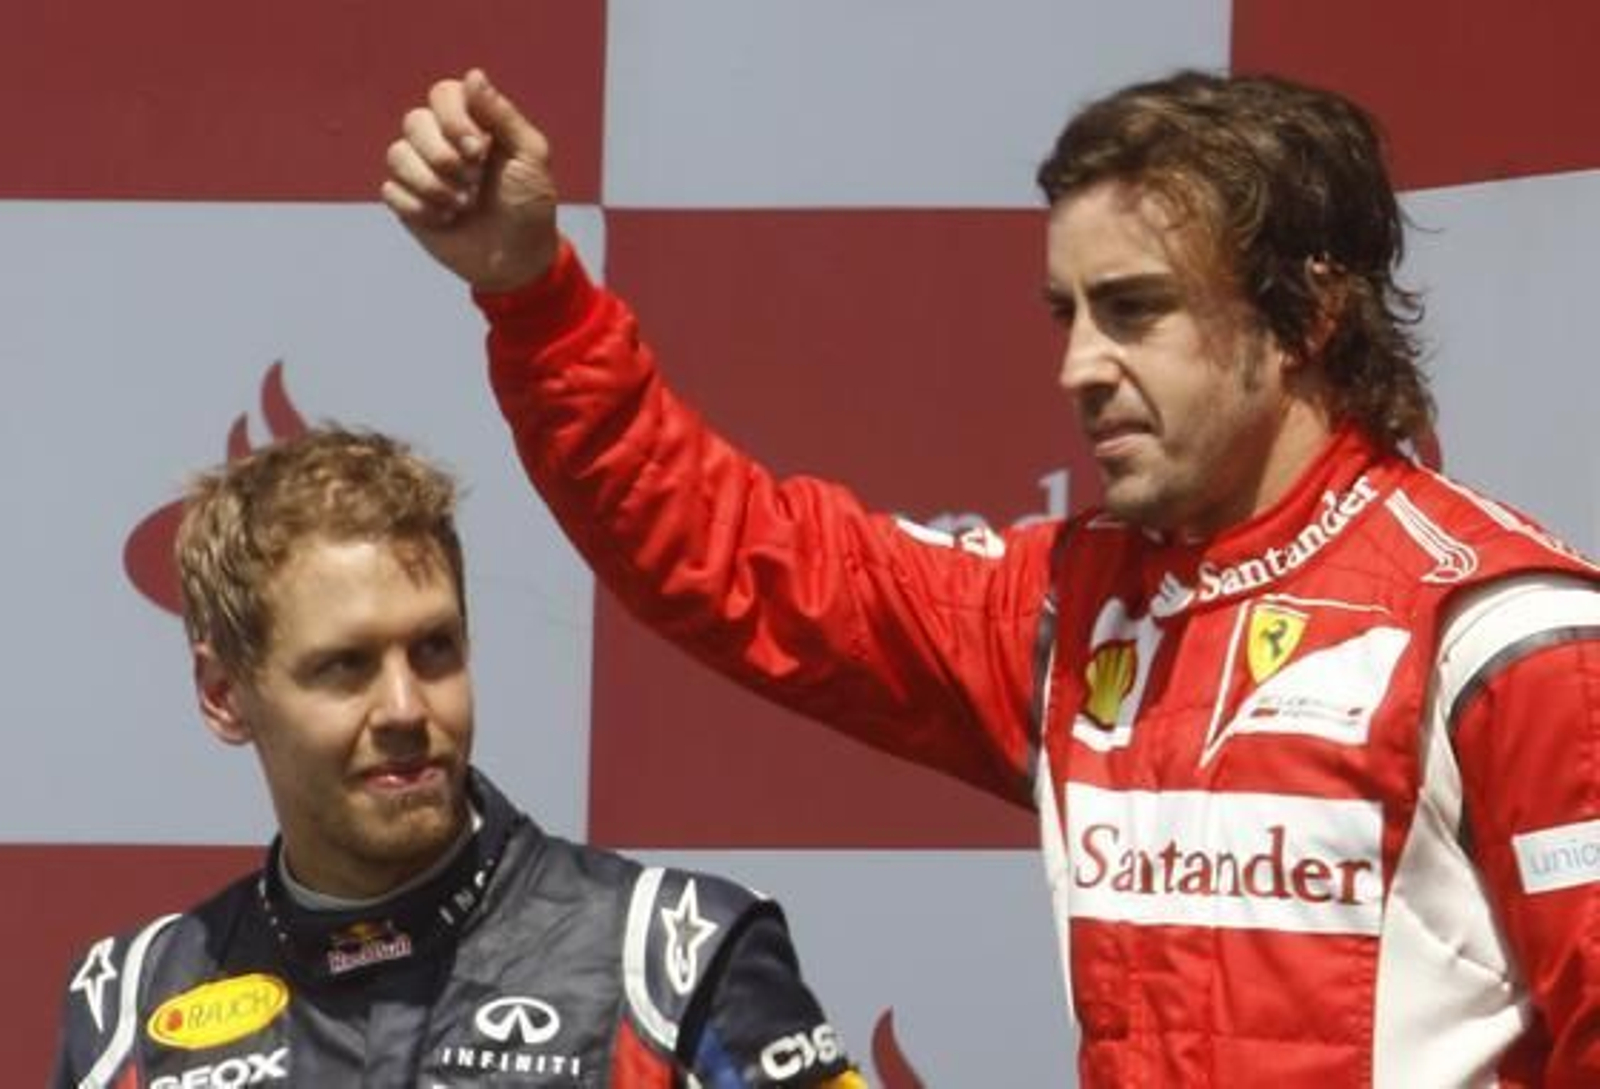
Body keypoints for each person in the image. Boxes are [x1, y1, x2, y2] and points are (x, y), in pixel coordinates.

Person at [383, 68, 1600, 1085]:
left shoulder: (1504, 634)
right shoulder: (1068, 611)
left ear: (1307, 316)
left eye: (1134, 311)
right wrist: (532, 295)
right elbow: (728, 554)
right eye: (1065, 313)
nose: (1078, 365)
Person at [50, 429, 864, 1088]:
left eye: (434, 649)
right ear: (225, 693)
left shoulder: (674, 958)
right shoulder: (133, 999)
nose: (407, 708)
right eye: (347, 666)